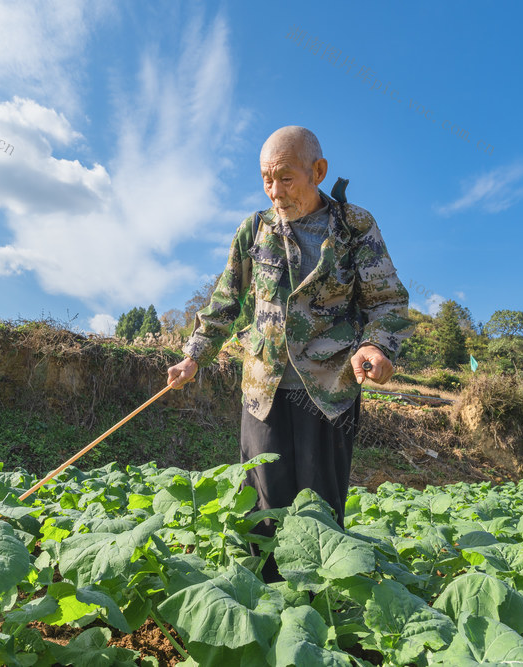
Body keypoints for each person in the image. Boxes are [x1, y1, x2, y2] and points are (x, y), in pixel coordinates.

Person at [166, 126, 414, 578]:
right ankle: (261, 601)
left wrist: (377, 345)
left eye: (285, 178)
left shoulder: (354, 227)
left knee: (319, 510)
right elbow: (224, 302)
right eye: (266, 179)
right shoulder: (254, 230)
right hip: (264, 391)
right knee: (262, 504)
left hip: (329, 389)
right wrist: (193, 356)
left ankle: (316, 607)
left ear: (318, 171)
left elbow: (388, 301)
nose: (274, 191)